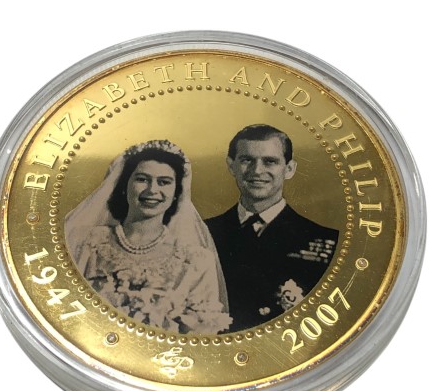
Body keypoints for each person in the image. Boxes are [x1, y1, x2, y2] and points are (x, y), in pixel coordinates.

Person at [65, 140, 232, 334]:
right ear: (124, 185)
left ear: (176, 193)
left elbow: (201, 335)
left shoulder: (196, 260)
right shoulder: (87, 242)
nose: (152, 190)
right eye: (142, 179)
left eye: (164, 182)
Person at [206, 125, 339, 331]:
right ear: (231, 166)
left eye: (270, 161)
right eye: (247, 160)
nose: (257, 171)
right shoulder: (202, 232)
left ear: (289, 169)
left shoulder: (326, 242)